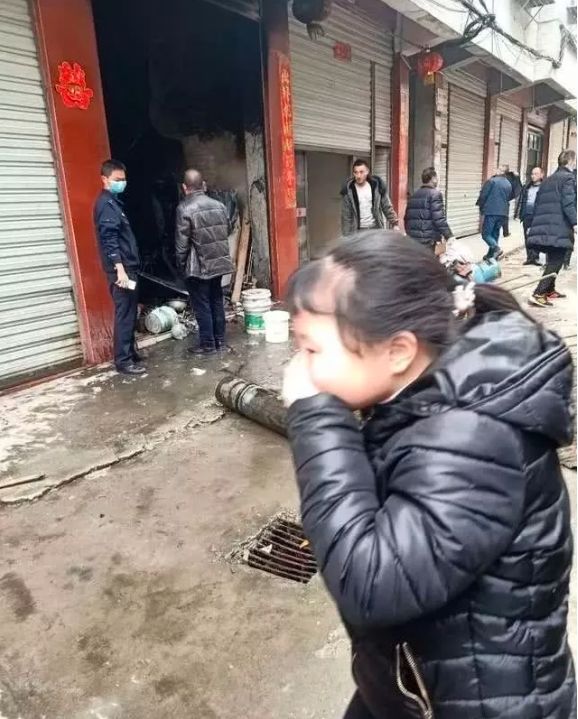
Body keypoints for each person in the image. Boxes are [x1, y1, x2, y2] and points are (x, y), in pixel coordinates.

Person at [282, 232, 574, 719]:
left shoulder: (473, 439)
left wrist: (315, 417)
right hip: (417, 680)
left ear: (398, 351)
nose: (300, 368)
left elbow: (372, 581)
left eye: (312, 350)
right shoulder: (425, 393)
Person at [94, 159, 145, 376]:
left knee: (130, 312)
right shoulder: (106, 205)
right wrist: (120, 269)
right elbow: (109, 240)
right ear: (104, 179)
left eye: (123, 179)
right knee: (124, 314)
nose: (122, 183)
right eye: (117, 179)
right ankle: (123, 361)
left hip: (128, 267)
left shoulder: (114, 203)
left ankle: (130, 352)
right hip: (121, 271)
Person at [175, 169, 234, 355]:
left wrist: (180, 266)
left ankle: (208, 344)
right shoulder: (220, 206)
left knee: (202, 306)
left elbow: (182, 244)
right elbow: (226, 230)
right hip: (218, 263)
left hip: (198, 267)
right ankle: (220, 342)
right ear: (204, 185)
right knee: (216, 301)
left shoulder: (184, 209)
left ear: (184, 188)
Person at [528, 150, 577, 308]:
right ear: (570, 161)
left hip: (547, 224)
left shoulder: (548, 179)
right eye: (575, 160)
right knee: (556, 260)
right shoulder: (568, 178)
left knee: (553, 257)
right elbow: (568, 203)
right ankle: (539, 293)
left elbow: (538, 203)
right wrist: (575, 222)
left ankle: (549, 289)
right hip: (558, 225)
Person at [341, 159, 398, 235]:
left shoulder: (377, 186)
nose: (358, 176)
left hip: (375, 229)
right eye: (356, 172)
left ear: (367, 171)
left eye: (361, 172)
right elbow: (346, 216)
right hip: (358, 231)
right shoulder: (349, 190)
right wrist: (346, 236)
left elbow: (386, 206)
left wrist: (395, 223)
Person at [403, 167, 453, 252]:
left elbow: (406, 218)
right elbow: (439, 219)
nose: (437, 180)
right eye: (436, 178)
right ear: (433, 179)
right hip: (428, 241)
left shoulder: (414, 195)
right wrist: (449, 236)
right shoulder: (435, 194)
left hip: (413, 240)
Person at [476, 165, 512, 261]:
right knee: (495, 234)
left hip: (492, 211)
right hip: (503, 213)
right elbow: (508, 198)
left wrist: (481, 206)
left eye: (498, 169)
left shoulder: (492, 181)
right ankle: (491, 255)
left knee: (486, 234)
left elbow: (483, 195)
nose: (496, 170)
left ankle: (497, 249)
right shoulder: (508, 184)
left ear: (501, 172)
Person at [514, 166, 544, 266]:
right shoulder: (527, 187)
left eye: (536, 174)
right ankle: (529, 257)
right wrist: (519, 213)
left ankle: (535, 257)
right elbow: (521, 200)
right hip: (527, 215)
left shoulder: (545, 187)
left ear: (541, 175)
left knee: (536, 236)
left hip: (538, 215)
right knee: (527, 236)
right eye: (532, 174)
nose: (533, 176)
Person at [502, 166, 522, 239]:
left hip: (501, 200)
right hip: (504, 200)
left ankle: (505, 232)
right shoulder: (511, 177)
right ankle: (505, 233)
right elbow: (518, 187)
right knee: (504, 216)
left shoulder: (501, 177)